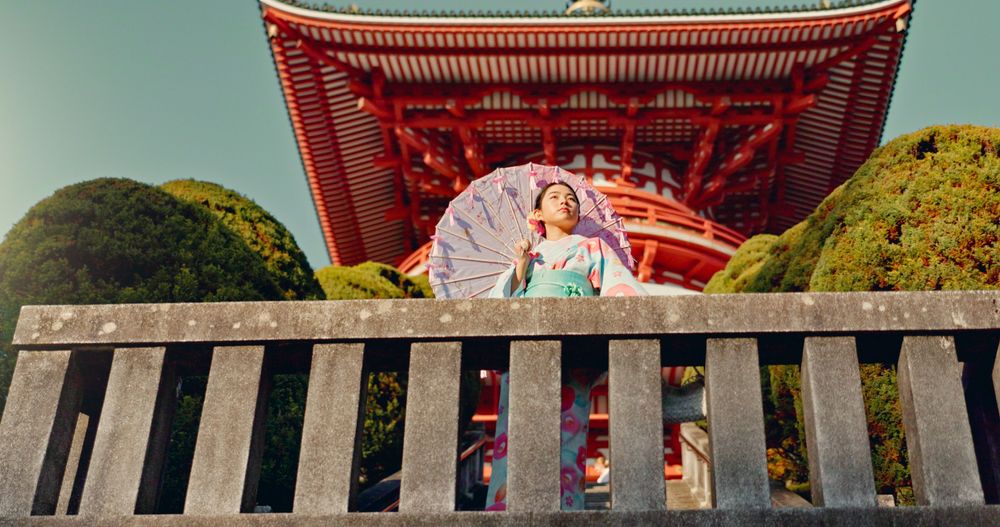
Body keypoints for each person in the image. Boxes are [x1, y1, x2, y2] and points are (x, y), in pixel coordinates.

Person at [484, 180, 688, 512]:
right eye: (554, 197)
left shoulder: (593, 247)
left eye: (571, 199)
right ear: (536, 214)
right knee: (515, 434)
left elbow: (621, 291)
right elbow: (499, 307)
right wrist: (520, 267)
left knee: (569, 436)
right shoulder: (528, 257)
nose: (565, 203)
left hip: (575, 349)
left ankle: (566, 510)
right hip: (524, 351)